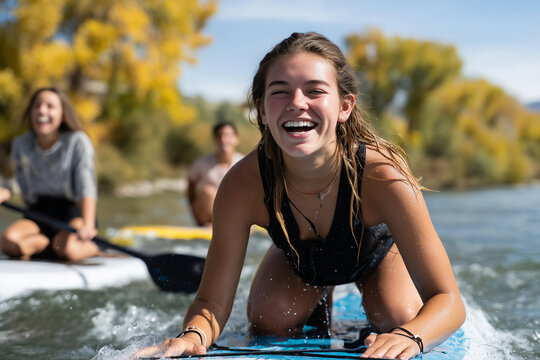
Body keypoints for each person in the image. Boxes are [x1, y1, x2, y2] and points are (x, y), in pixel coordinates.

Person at [134, 32, 465, 360]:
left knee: (397, 316)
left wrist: (411, 336)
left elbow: (447, 299)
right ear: (262, 110)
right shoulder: (242, 185)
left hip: (374, 255)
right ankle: (317, 297)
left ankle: (377, 312)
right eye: (279, 92)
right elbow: (210, 304)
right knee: (268, 320)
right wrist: (192, 335)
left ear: (344, 106)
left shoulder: (384, 178)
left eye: (315, 91)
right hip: (299, 259)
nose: (296, 102)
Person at [0, 87, 100, 261]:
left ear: (62, 114)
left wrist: (88, 224)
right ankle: (51, 245)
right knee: (8, 243)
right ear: (31, 112)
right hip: (39, 212)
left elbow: (87, 186)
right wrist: (4, 191)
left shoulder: (78, 141)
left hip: (72, 212)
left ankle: (94, 247)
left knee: (68, 250)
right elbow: (13, 182)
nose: (42, 111)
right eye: (37, 106)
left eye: (50, 106)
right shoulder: (21, 144)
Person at [187, 121, 243, 226]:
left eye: (228, 135)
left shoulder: (245, 164)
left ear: (236, 139)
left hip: (234, 214)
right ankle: (211, 225)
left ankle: (239, 225)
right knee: (209, 192)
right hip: (207, 216)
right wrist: (195, 217)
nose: (223, 140)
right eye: (219, 136)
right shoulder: (201, 163)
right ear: (215, 140)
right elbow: (190, 189)